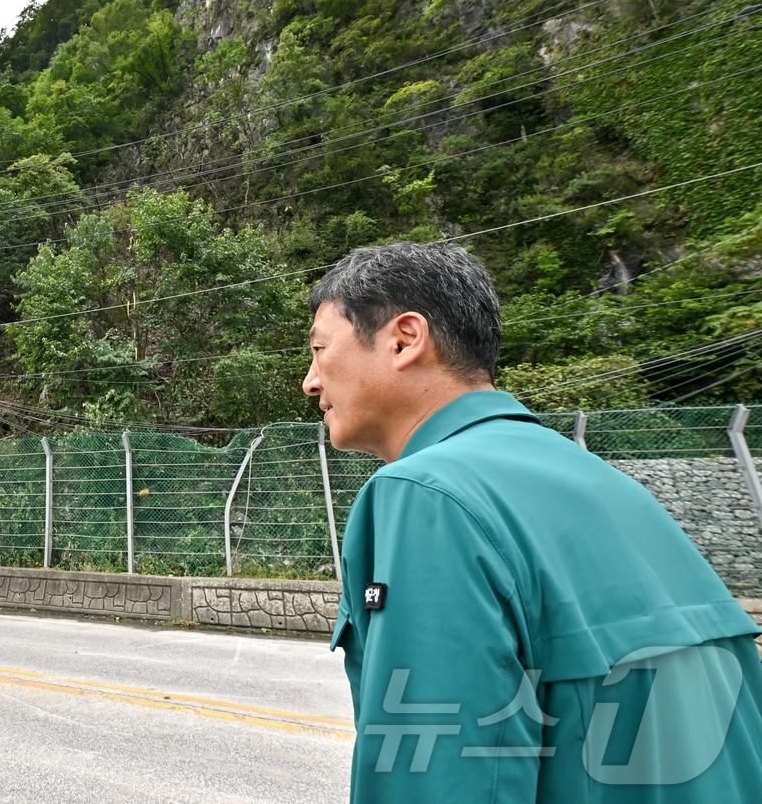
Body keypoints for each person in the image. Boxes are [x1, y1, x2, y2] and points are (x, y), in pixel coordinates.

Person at [307, 242, 762, 803]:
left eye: (320, 350)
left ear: (404, 339)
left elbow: (441, 772)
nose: (311, 382)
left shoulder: (428, 496)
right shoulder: (610, 487)